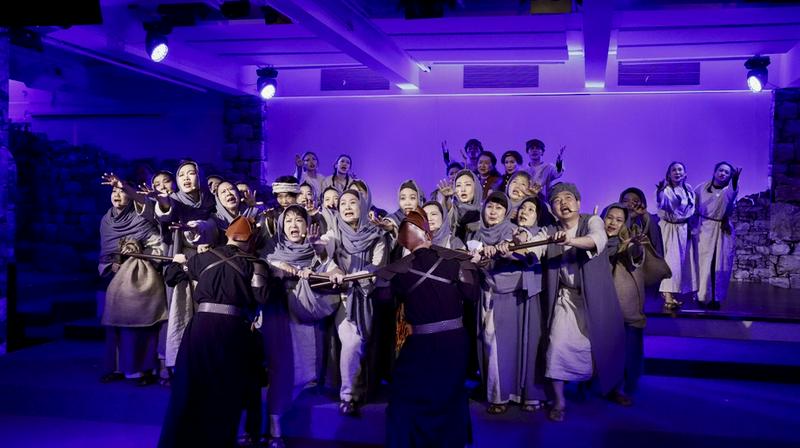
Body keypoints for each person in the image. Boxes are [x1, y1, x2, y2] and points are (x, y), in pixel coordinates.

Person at [158, 216, 270, 448]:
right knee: (226, 390)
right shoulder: (256, 264)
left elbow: (171, 278)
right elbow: (263, 297)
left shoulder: (201, 258)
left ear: (228, 235)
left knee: (189, 386)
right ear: (251, 240)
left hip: (200, 327)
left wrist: (179, 262)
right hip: (233, 330)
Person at [375, 208, 479, 448]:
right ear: (427, 234)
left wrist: (376, 275)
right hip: (454, 343)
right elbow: (471, 294)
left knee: (408, 394)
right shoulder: (457, 260)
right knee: (449, 396)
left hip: (422, 345)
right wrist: (472, 264)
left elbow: (383, 300)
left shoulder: (396, 271)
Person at [542, 182, 624, 422]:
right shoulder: (551, 229)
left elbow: (596, 240)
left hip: (594, 297)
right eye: (557, 200)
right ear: (552, 208)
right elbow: (535, 244)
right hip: (565, 298)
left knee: (599, 345)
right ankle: (559, 401)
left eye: (568, 198)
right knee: (556, 345)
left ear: (578, 202)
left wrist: (570, 240)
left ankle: (610, 388)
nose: (564, 203)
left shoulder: (592, 221)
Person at [263, 205, 345, 447]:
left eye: (299, 220)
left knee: (308, 367)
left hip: (308, 318)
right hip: (279, 317)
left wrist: (329, 268)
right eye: (288, 220)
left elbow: (334, 270)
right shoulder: (273, 251)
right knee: (281, 368)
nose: (293, 225)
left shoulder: (315, 250)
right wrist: (280, 269)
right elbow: (263, 270)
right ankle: (274, 427)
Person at [467, 192, 549, 415]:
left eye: (531, 210)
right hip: (493, 291)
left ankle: (525, 393)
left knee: (525, 344)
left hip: (519, 291)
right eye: (489, 206)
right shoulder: (478, 232)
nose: (493, 211)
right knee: (496, 345)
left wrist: (507, 247)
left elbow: (519, 242)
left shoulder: (524, 231)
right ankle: (499, 393)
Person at [320, 189, 388, 415]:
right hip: (344, 298)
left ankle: (363, 390)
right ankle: (347, 395)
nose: (347, 207)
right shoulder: (335, 232)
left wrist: (361, 276)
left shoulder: (376, 234)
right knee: (352, 343)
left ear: (363, 206)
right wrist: (317, 248)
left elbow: (378, 266)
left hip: (368, 297)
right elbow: (324, 249)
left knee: (366, 345)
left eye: (352, 202)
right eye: (343, 204)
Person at [98, 185, 165, 387]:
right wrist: (111, 263)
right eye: (113, 192)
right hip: (115, 280)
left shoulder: (140, 218)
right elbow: (105, 249)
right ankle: (117, 368)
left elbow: (158, 244)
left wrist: (138, 250)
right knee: (116, 327)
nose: (117, 195)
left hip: (141, 278)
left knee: (143, 326)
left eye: (122, 191)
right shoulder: (106, 220)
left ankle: (145, 369)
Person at [602, 203, 647, 406]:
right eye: (609, 217)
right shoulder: (594, 240)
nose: (613, 223)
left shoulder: (625, 243)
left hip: (619, 305)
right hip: (596, 301)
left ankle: (618, 388)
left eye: (619, 220)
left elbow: (635, 253)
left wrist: (636, 245)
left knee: (622, 348)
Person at [694, 162, 741, 310]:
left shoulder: (729, 189)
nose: (723, 174)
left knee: (719, 264)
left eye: (727, 173)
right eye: (721, 170)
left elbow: (731, 194)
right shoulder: (701, 188)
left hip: (721, 229)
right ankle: (702, 295)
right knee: (703, 265)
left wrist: (734, 180)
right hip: (704, 228)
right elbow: (693, 206)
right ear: (714, 172)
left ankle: (716, 297)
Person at [656, 161, 697, 310]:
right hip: (669, 228)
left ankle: (672, 293)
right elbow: (664, 203)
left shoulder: (688, 189)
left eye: (680, 169)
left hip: (682, 229)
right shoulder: (666, 190)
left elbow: (691, 207)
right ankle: (666, 294)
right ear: (669, 174)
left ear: (685, 173)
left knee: (680, 263)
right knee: (671, 261)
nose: (677, 172)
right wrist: (660, 194)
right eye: (674, 170)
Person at [437, 169, 484, 243]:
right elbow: (448, 214)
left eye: (467, 184)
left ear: (476, 187)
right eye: (458, 185)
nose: (463, 189)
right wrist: (446, 198)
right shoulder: (454, 210)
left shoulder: (485, 212)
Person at [619, 187, 664, 257]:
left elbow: (656, 247)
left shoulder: (650, 221)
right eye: (625, 201)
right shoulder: (613, 221)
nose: (630, 205)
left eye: (635, 201)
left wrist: (644, 215)